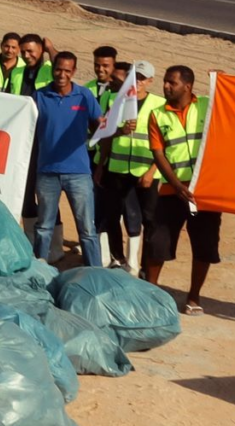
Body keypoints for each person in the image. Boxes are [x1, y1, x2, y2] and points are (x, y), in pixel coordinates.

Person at [141, 65, 220, 313]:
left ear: (188, 86)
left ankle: (194, 297)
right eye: (165, 81)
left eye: (171, 83)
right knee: (159, 242)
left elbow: (231, 103)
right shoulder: (157, 114)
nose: (165, 86)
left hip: (200, 197)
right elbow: (158, 153)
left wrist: (222, 80)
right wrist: (176, 185)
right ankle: (151, 292)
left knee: (203, 241)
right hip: (171, 194)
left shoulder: (206, 106)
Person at [27, 51, 106, 266]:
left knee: (88, 230)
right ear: (53, 70)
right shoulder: (39, 96)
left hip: (79, 173)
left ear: (74, 72)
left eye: (67, 71)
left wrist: (115, 127)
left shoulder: (84, 96)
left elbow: (99, 125)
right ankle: (38, 272)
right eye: (58, 69)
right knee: (44, 227)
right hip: (47, 173)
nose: (62, 74)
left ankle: (94, 274)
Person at [94, 58, 162, 273]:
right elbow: (103, 134)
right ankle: (120, 259)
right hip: (117, 169)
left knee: (147, 220)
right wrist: (101, 165)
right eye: (135, 77)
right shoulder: (112, 99)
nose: (138, 81)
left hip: (145, 173)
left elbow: (165, 142)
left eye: (142, 78)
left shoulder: (159, 104)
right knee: (112, 215)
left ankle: (144, 266)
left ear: (150, 81)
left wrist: (153, 171)